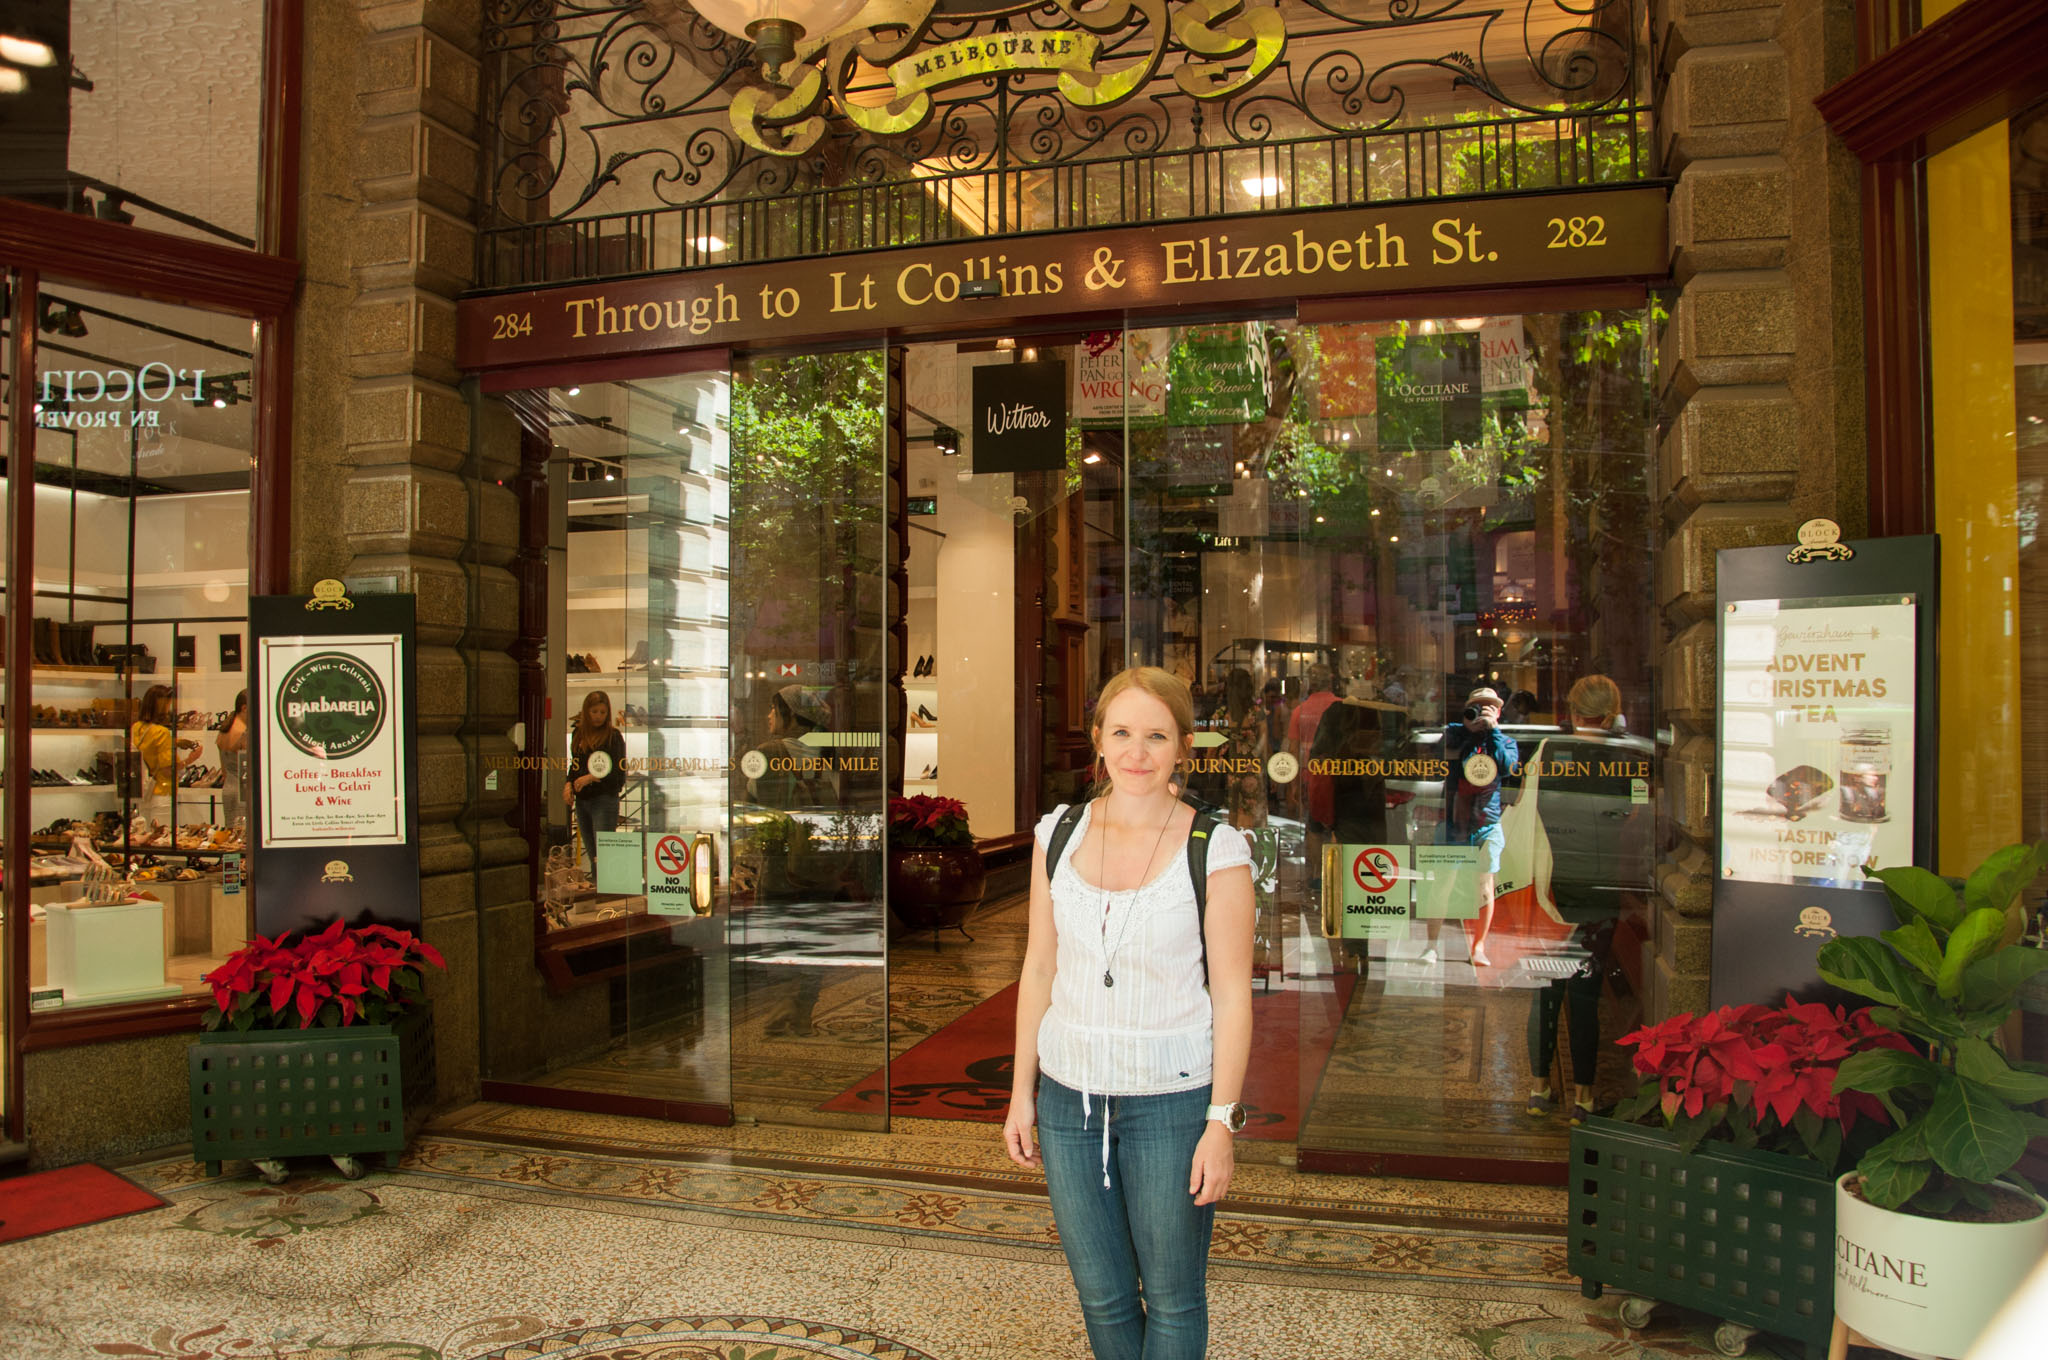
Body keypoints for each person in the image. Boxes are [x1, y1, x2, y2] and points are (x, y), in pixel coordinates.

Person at [1004, 666, 1256, 1360]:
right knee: (1103, 1296)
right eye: (1121, 733)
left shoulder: (1215, 848)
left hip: (1173, 1105)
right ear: (1098, 740)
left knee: (1173, 1299)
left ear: (1184, 747)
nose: (1136, 752)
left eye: (1156, 736)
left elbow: (1233, 997)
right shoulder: (1057, 835)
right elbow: (1039, 967)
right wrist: (1022, 1092)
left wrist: (1221, 1122)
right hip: (1069, 1101)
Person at [1527, 674, 1629, 1121]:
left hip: (1551, 887)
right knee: (1585, 996)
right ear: (1612, 713)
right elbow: (1631, 816)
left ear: (1571, 711)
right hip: (1598, 889)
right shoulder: (1623, 757)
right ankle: (1584, 1098)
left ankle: (1539, 1088)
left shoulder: (1548, 752)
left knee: (1545, 991)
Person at [1434, 686, 1519, 968]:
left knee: (1484, 888)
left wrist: (1492, 731)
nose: (1481, 712)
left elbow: (1507, 768)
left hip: (1487, 822)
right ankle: (1431, 945)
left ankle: (1479, 946)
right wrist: (1467, 729)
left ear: (1498, 712)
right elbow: (1435, 755)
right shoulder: (1456, 734)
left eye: (1488, 707)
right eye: (1476, 707)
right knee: (1443, 885)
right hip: (1455, 821)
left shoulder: (1505, 741)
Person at [562, 689, 626, 881]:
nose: (598, 716)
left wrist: (590, 777)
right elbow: (575, 765)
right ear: (586, 712)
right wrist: (568, 784)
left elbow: (617, 772)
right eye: (594, 712)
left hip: (604, 798)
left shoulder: (613, 736)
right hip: (582, 799)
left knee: (603, 852)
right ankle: (599, 886)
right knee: (592, 851)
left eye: (602, 712)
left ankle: (606, 887)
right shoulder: (578, 734)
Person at [131, 683, 200, 829]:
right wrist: (189, 760)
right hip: (162, 792)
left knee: (145, 834)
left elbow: (149, 748)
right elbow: (167, 770)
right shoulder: (161, 732)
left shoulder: (137, 727)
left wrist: (175, 742)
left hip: (144, 791)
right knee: (162, 835)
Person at [1220, 667, 1267, 829]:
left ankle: (1233, 843)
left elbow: (1211, 746)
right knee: (1249, 817)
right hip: (1251, 770)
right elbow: (1264, 744)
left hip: (1229, 771)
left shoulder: (1222, 714)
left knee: (1231, 815)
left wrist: (1209, 767)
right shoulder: (1256, 713)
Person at [216, 690, 249, 827]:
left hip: (228, 789)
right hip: (243, 792)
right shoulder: (244, 733)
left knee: (231, 832)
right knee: (243, 834)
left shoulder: (223, 731)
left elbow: (224, 772)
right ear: (244, 708)